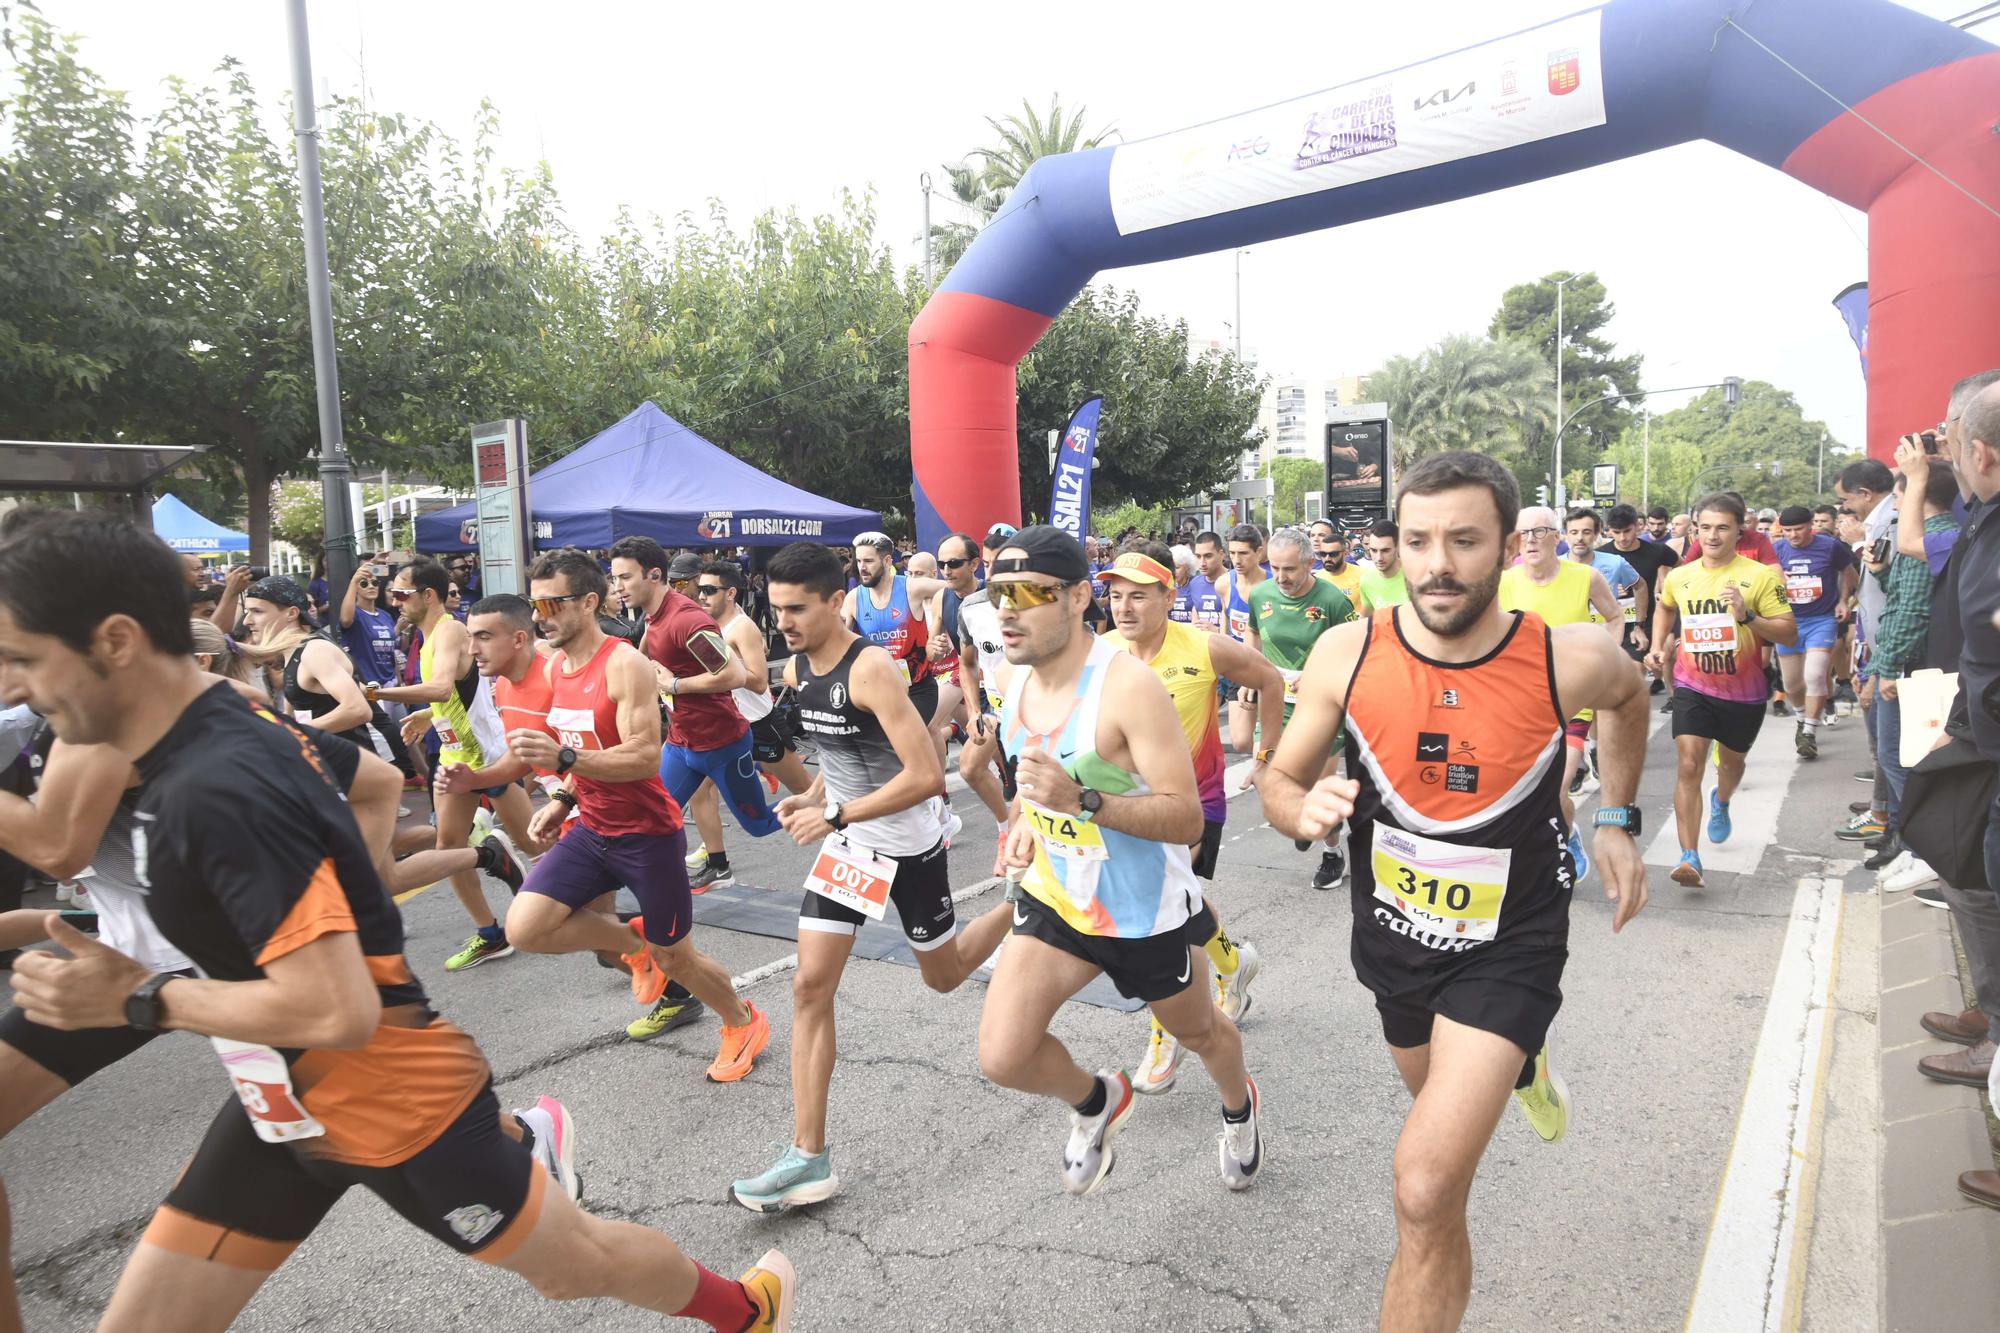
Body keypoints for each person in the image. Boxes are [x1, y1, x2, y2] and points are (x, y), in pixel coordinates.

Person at [0, 510, 797, 1333]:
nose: (14, 686)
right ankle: (540, 1130)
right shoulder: (211, 716)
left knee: (576, 1266)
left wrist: (137, 997)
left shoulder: (221, 783)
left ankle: (744, 1309)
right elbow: (373, 785)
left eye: (24, 658)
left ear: (119, 640)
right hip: (278, 1098)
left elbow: (336, 1011)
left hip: (396, 1104)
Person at [1257, 450, 1650, 1333]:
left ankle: (1514, 1047)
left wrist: (1617, 815)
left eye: (1465, 540)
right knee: (1439, 1194)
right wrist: (1300, 805)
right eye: (1421, 539)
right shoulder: (1347, 650)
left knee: (1424, 1182)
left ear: (1508, 547)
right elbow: (1279, 778)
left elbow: (1628, 700)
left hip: (1512, 940)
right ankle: (1522, 1065)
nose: (1438, 563)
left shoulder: (1565, 657)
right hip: (1395, 941)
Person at [971, 526, 1263, 1197]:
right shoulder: (1011, 678)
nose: (1008, 609)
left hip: (1142, 911)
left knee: (1201, 1033)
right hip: (1058, 897)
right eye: (997, 594)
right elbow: (1031, 780)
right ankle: (1098, 1099)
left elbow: (1186, 818)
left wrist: (1083, 799)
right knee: (1003, 1053)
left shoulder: (1127, 687)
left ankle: (1239, 1108)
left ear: (1077, 598)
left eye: (1028, 592)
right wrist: (1022, 823)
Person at [728, 542, 1014, 1212]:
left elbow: (922, 778)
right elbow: (843, 753)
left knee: (942, 976)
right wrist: (816, 796)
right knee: (809, 985)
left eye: (797, 608)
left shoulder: (873, 668)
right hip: (852, 846)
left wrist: (834, 811)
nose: (785, 622)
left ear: (836, 602)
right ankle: (808, 1156)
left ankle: (1023, 905)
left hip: (908, 847)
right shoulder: (798, 666)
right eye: (776, 610)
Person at [481, 552, 773, 1066]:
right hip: (593, 829)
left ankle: (742, 1022)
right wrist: (564, 797)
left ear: (588, 603)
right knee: (526, 927)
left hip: (647, 836)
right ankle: (631, 943)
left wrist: (565, 760)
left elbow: (642, 756)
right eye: (534, 603)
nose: (539, 615)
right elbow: (579, 745)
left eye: (550, 603)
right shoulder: (557, 669)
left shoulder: (624, 663)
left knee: (676, 958)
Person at [1100, 543, 1284, 1094]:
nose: (1124, 607)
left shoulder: (1204, 648)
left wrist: (1265, 758)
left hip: (1194, 802)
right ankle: (1233, 961)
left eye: (1138, 596)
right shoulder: (1100, 653)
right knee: (1179, 902)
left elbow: (1271, 680)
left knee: (1164, 917)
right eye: (1115, 595)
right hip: (1126, 804)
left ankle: (1165, 1032)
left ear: (1169, 597)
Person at [373, 557, 531, 971]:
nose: (395, 600)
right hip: (455, 755)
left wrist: (376, 696)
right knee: (448, 848)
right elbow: (457, 692)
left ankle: (586, 905)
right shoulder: (426, 636)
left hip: (485, 757)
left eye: (402, 593)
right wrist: (429, 715)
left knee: (535, 842)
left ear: (428, 595)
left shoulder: (449, 631)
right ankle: (491, 934)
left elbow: (443, 685)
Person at [608, 539, 784, 897]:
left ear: (654, 575)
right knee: (653, 816)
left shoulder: (687, 621)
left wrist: (674, 684)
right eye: (614, 580)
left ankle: (833, 806)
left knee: (760, 823)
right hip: (680, 743)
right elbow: (642, 657)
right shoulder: (653, 614)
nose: (618, 588)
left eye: (625, 578)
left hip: (722, 745)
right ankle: (666, 885)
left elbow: (735, 675)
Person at [1646, 494, 1797, 887]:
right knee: (1689, 764)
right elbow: (1665, 606)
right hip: (1693, 685)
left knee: (1730, 766)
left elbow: (1788, 630)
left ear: (1738, 531)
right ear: (1696, 529)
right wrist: (1658, 644)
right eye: (1706, 527)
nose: (1713, 536)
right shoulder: (1681, 575)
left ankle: (1722, 800)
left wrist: (1746, 615)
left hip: (1743, 692)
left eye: (1723, 527)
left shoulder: (1760, 576)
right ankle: (1689, 856)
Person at [1498, 506, 1622, 880]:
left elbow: (1615, 618)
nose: (1531, 540)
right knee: (1520, 791)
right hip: (1521, 704)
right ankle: (1559, 833)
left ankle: (1567, 840)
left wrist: (1606, 656)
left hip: (1573, 700)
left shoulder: (1586, 577)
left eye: (1539, 531)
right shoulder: (1504, 581)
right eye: (1523, 534)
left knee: (1555, 786)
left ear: (1557, 536)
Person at [1863, 454, 1963, 875]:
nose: (1895, 503)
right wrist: (1884, 571)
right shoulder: (1930, 536)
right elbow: (1906, 591)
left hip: (1909, 668)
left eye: (1900, 493)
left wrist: (1886, 667)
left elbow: (1912, 611)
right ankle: (1916, 846)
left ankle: (1926, 850)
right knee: (1899, 758)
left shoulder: (1935, 535)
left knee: (1902, 759)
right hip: (1910, 665)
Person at [1246, 528, 1359, 889]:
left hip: (1324, 705)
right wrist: (1251, 677)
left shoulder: (1333, 601)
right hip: (1277, 704)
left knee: (1317, 784)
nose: (1281, 578)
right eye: (1275, 568)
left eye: (1290, 569)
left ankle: (1332, 852)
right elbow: (1254, 636)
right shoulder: (1261, 593)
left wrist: (1320, 678)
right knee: (1267, 777)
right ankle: (1299, 814)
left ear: (1310, 564)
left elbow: (1353, 652)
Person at [926, 533, 1015, 868]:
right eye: (942, 564)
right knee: (970, 766)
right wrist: (933, 649)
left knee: (1012, 774)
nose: (946, 570)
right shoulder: (947, 601)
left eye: (953, 563)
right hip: (978, 691)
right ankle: (1006, 829)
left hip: (1021, 702)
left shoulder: (1020, 600)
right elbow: (950, 655)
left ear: (974, 565)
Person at [1771, 504, 1858, 759]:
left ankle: (1809, 731)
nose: (1794, 535)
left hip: (1821, 619)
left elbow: (1848, 572)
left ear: (1811, 526)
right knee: (1791, 683)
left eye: (1799, 529)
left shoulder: (1829, 546)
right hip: (1788, 622)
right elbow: (1762, 581)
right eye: (1788, 531)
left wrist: (1843, 601)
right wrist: (1777, 580)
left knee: (1815, 674)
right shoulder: (1777, 550)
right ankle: (1801, 718)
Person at [1601, 504, 1675, 681]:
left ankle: (1669, 695)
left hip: (1650, 618)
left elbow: (1682, 567)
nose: (1622, 538)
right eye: (1616, 532)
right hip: (1617, 620)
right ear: (1609, 530)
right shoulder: (1601, 555)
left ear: (1637, 525)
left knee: (1649, 665)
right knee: (1623, 672)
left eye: (1627, 531)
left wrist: (1669, 590)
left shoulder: (1657, 551)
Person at [1218, 523, 1271, 756]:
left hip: (1270, 667)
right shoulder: (1224, 583)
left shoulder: (1273, 585)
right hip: (1238, 666)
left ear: (1259, 552)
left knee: (1269, 735)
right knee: (1240, 741)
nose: (1236, 560)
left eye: (1243, 553)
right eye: (1232, 553)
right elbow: (1225, 618)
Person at [337, 554, 401, 700]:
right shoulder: (355, 614)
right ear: (356, 589)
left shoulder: (386, 615)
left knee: (401, 722)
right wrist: (354, 580)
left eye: (374, 583)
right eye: (364, 584)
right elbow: (345, 620)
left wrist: (400, 681)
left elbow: (391, 652)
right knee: (383, 722)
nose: (371, 586)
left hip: (392, 684)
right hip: (370, 687)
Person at [1310, 518, 1365, 608]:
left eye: (1321, 535)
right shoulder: (1305, 565)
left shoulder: (1357, 570)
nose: (1316, 539)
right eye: (1312, 535)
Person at [1357, 520, 1408, 610]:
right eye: (1373, 550)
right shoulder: (1366, 580)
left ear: (1398, 547)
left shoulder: (1416, 576)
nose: (1379, 558)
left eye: (1385, 550)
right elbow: (1366, 619)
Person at [1183, 532, 1227, 632]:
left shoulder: (1234, 581)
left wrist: (1218, 631)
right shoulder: (1194, 583)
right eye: (1198, 556)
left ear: (1221, 555)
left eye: (1208, 556)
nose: (1202, 563)